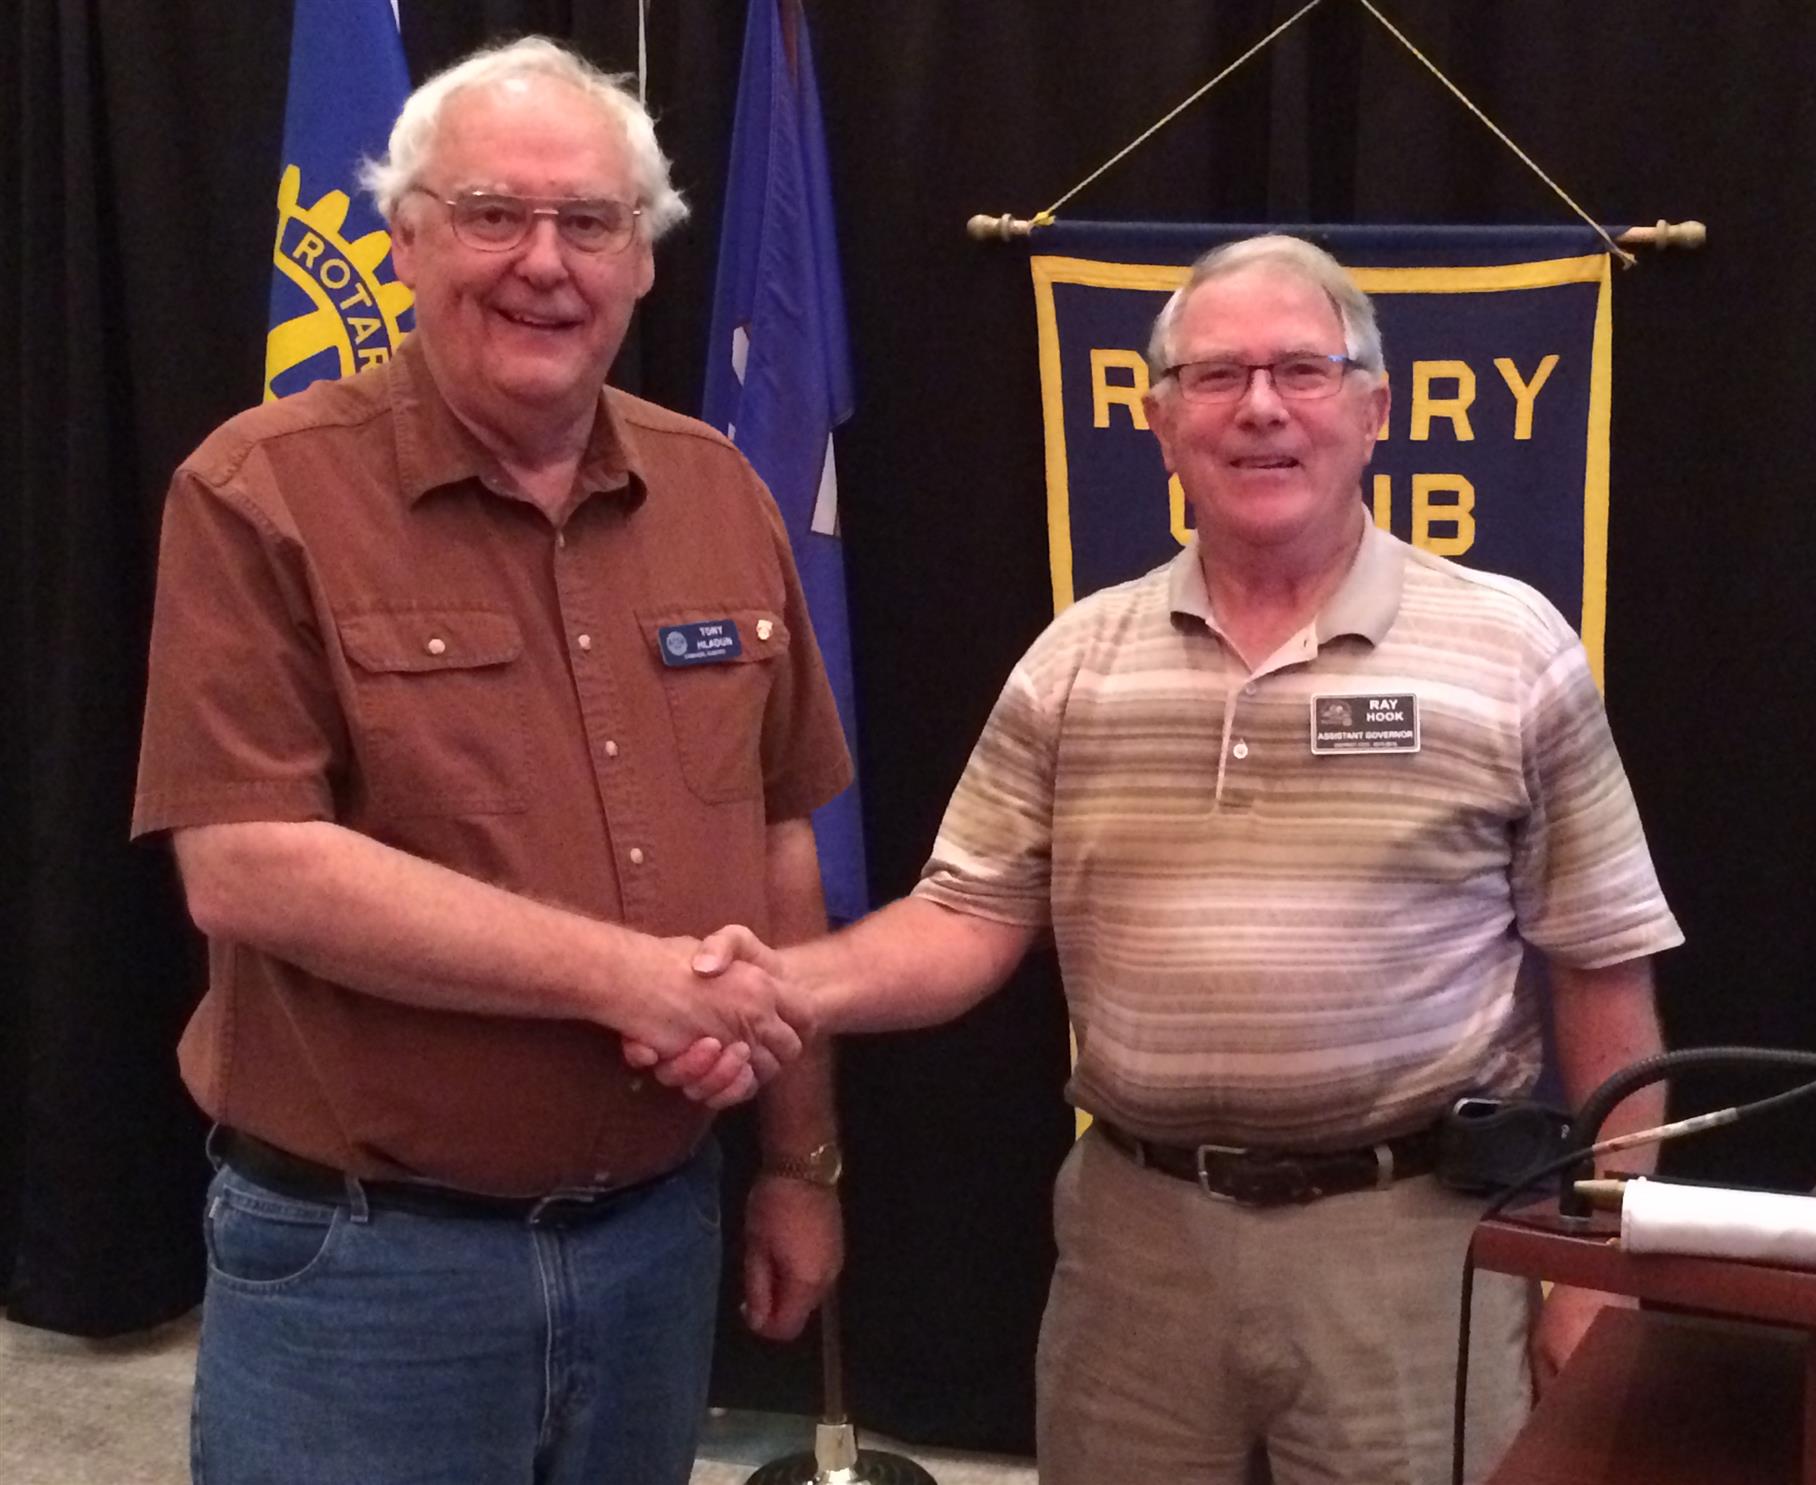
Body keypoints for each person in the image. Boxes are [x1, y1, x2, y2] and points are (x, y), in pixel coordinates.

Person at [680, 235, 1682, 1485]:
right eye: (1216, 376)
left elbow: (1603, 971)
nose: (1260, 407)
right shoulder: (1076, 662)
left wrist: (1603, 1265)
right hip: (1137, 1250)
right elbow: (963, 920)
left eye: (1302, 370)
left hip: (1415, 1250)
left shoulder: (1514, 649)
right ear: (1160, 424)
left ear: (1375, 410)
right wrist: (785, 987)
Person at [131, 36, 850, 1485]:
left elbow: (780, 836)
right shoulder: (259, 492)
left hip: (657, 1240)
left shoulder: (720, 493)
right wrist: (626, 977)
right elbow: (250, 867)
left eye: (589, 221)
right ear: (404, 239)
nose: (544, 261)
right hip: (369, 1270)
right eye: (492, 214)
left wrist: (799, 1161)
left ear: (641, 260)